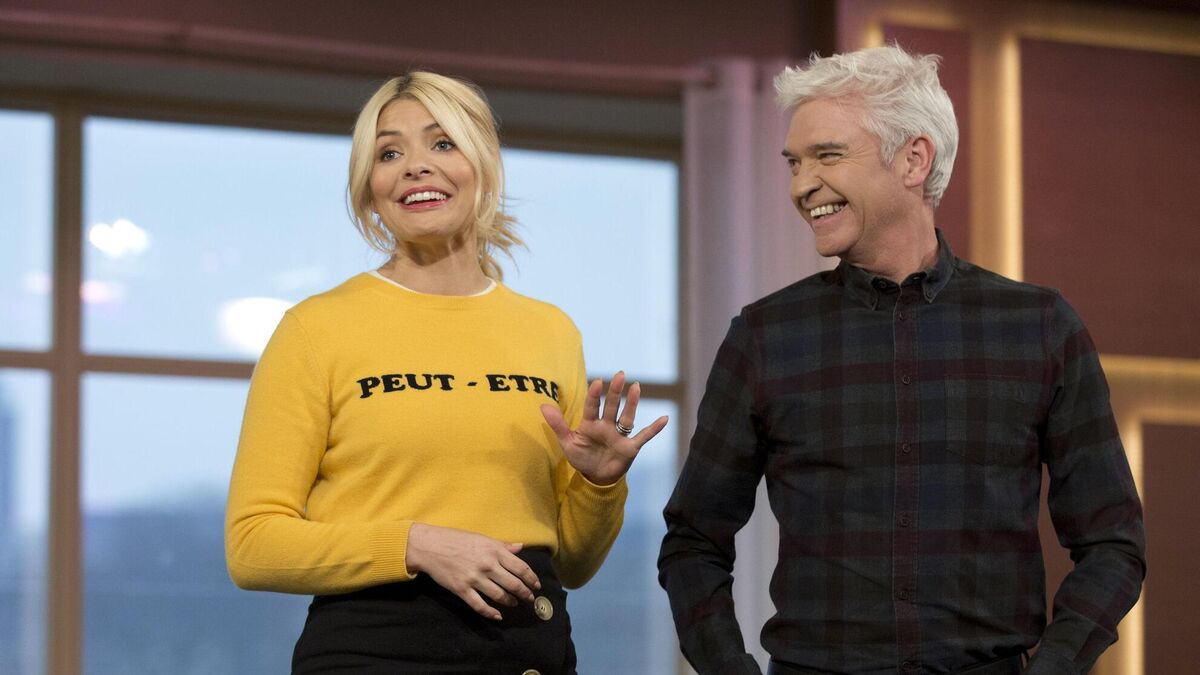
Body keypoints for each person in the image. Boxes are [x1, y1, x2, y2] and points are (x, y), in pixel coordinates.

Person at [658, 45, 1145, 675]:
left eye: (827, 155)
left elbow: (1112, 544)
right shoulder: (764, 337)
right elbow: (692, 543)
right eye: (795, 163)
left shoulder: (1041, 328)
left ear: (914, 160)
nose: (802, 185)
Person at [225, 71, 668, 674]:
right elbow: (252, 545)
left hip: (530, 650)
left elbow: (573, 565)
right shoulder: (315, 328)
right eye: (388, 153)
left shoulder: (550, 330)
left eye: (442, 143)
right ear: (369, 189)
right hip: (374, 652)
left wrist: (598, 485)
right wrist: (415, 545)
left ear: (482, 166)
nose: (415, 166)